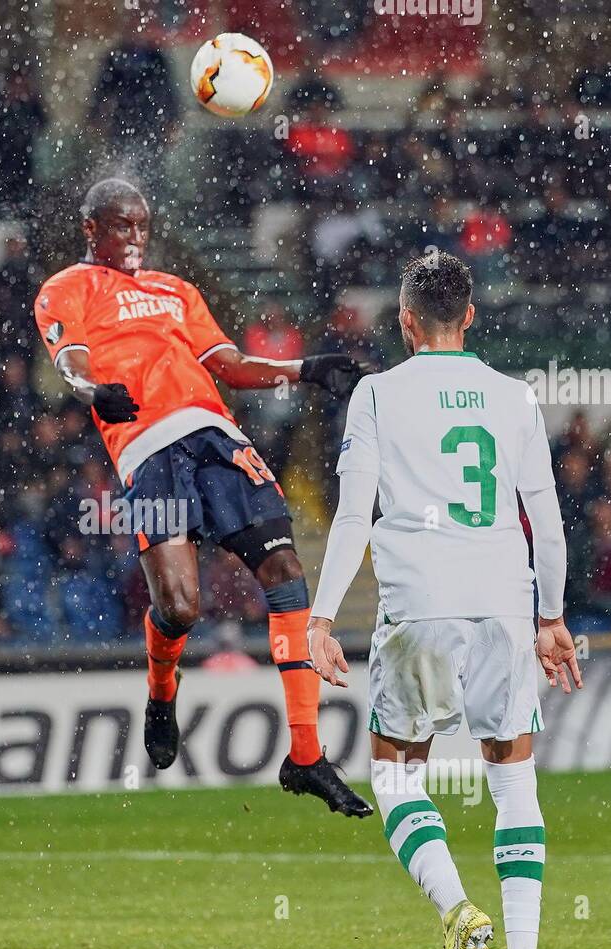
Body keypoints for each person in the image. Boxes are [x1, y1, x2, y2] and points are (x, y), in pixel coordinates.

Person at [34, 177, 371, 818]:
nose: (134, 238)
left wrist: (304, 370)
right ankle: (162, 694)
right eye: (120, 226)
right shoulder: (65, 288)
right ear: (91, 229)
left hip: (216, 436)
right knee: (181, 608)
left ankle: (306, 756)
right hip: (147, 451)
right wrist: (91, 392)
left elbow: (230, 363)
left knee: (285, 570)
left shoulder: (176, 291)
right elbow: (71, 358)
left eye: (141, 226)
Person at [307, 252, 582, 949]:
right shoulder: (514, 397)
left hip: (419, 604)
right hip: (501, 601)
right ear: (470, 317)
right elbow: (546, 521)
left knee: (395, 771)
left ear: (403, 322)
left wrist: (322, 615)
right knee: (513, 776)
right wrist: (551, 617)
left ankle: (459, 911)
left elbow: (355, 515)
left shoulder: (376, 394)